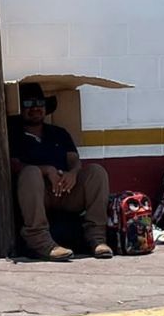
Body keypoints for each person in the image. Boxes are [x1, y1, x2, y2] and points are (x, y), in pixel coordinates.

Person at [9, 82, 113, 261]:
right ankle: (39, 240)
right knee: (31, 173)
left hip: (65, 189)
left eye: (39, 104)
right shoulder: (13, 134)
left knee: (97, 171)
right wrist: (47, 170)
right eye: (28, 104)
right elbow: (14, 166)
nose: (35, 108)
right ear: (20, 108)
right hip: (37, 195)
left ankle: (97, 239)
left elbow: (74, 160)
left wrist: (72, 173)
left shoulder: (59, 133)